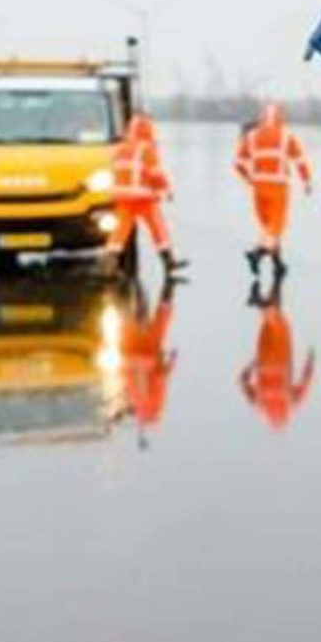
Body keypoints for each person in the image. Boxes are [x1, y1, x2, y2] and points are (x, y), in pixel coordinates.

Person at [234, 103, 313, 276]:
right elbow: (300, 161)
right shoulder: (287, 136)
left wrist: (249, 179)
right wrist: (306, 181)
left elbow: (238, 164)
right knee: (276, 226)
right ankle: (257, 254)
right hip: (278, 188)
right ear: (280, 118)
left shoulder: (251, 136)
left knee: (268, 228)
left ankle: (278, 263)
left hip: (258, 189)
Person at [108, 112, 187, 279]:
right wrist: (166, 191)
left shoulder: (119, 148)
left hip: (122, 196)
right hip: (143, 197)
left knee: (120, 231)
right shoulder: (146, 149)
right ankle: (168, 262)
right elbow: (155, 174)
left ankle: (109, 263)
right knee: (158, 228)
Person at [240, 282, 315, 432]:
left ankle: (266, 300)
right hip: (263, 362)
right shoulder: (259, 406)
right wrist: (253, 364)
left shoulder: (291, 406)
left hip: (281, 363)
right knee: (269, 323)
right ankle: (267, 297)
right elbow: (242, 381)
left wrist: (310, 360)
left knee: (278, 322)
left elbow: (306, 381)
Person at [120, 278, 178, 443]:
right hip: (129, 355)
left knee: (162, 318)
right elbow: (123, 380)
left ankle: (168, 290)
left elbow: (160, 379)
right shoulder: (136, 402)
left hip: (148, 353)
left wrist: (170, 363)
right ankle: (125, 295)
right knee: (126, 323)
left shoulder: (153, 404)